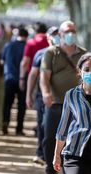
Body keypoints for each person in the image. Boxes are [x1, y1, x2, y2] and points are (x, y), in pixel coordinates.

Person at [40, 20, 87, 174]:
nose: (70, 34)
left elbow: (89, 78)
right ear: (60, 34)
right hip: (55, 103)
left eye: (73, 31)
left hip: (76, 106)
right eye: (67, 31)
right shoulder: (51, 53)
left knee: (72, 139)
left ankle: (68, 172)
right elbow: (44, 77)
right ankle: (50, 170)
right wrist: (46, 93)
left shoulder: (84, 54)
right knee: (50, 138)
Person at [25, 26, 60, 165]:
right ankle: (41, 153)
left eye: (58, 34)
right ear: (48, 37)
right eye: (54, 35)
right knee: (42, 125)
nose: (56, 37)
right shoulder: (40, 54)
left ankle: (56, 154)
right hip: (41, 97)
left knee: (58, 127)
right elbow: (33, 74)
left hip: (60, 98)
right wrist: (29, 94)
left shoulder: (66, 54)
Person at [0, 27, 29, 135]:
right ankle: (19, 128)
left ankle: (5, 124)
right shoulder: (27, 47)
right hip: (23, 80)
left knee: (7, 103)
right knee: (21, 105)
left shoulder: (8, 45)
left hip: (9, 78)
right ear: (26, 37)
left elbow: (2, 61)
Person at [19, 22, 48, 92]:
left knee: (33, 98)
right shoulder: (50, 42)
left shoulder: (31, 43)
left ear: (35, 31)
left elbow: (25, 63)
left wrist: (22, 78)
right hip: (49, 77)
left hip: (34, 77)